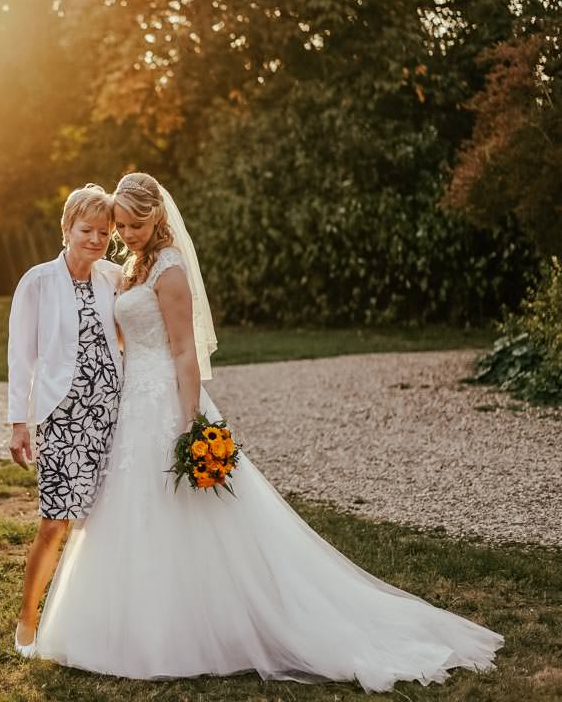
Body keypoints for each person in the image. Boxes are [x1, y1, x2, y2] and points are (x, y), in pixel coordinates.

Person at [31, 172, 503, 693]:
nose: (127, 233)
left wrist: (190, 422)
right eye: (121, 225)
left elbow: (186, 351)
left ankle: (204, 628)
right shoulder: (129, 267)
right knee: (133, 511)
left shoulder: (169, 269)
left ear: (157, 218)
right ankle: (126, 626)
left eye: (136, 224)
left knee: (188, 513)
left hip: (167, 401)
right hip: (132, 405)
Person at [6, 184, 123, 657]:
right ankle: (27, 618)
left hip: (112, 416)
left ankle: (91, 621)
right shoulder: (37, 281)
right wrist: (19, 421)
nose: (96, 239)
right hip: (62, 417)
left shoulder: (115, 277)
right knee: (56, 522)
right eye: (87, 229)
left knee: (103, 525)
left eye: (104, 232)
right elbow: (21, 355)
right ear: (66, 229)